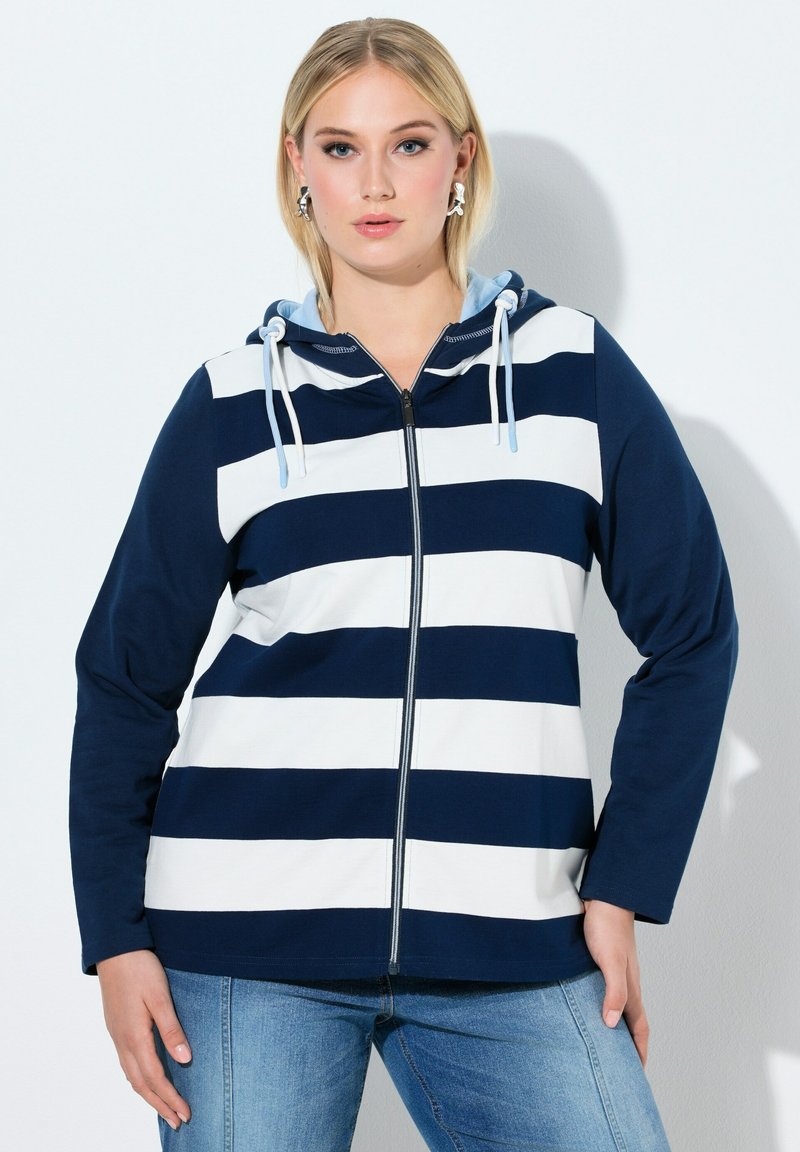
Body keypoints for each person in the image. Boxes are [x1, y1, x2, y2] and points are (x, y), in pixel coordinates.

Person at [69, 16, 738, 1152]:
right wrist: (116, 938)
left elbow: (693, 636)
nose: (374, 183)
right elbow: (125, 678)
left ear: (460, 159)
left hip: (511, 938)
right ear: (298, 165)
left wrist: (620, 887)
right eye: (340, 148)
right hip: (244, 946)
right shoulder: (233, 401)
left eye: (409, 144)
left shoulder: (572, 375)